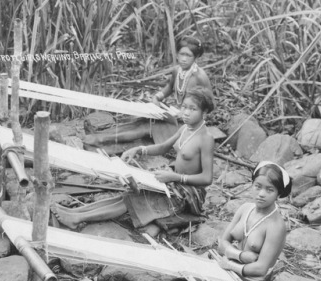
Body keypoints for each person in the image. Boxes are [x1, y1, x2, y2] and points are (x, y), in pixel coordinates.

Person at [104, 161, 292, 281]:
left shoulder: (276, 227)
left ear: (278, 194)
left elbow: (259, 268)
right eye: (258, 187)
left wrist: (231, 265)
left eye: (269, 190)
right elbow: (222, 243)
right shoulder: (246, 209)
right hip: (226, 267)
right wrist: (240, 256)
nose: (261, 193)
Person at [54, 87, 215, 229]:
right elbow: (163, 147)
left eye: (192, 109)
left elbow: (207, 178)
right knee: (128, 194)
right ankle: (73, 212)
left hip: (187, 194)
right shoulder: (185, 129)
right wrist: (139, 149)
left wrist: (175, 177)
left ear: (204, 113)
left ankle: (78, 218)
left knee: (135, 200)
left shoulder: (206, 139)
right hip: (172, 182)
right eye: (184, 107)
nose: (186, 112)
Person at [83, 36, 211, 146]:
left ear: (195, 58)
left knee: (147, 127)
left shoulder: (200, 76)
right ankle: (99, 135)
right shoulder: (177, 70)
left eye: (188, 55)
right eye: (181, 54)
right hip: (174, 115)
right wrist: (157, 98)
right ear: (177, 54)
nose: (183, 59)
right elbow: (169, 87)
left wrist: (190, 114)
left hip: (187, 123)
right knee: (142, 120)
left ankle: (101, 139)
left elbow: (210, 104)